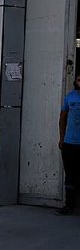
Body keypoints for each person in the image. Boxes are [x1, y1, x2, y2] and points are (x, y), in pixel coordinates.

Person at [56, 73, 80, 215]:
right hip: (70, 142)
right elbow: (62, 118)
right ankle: (69, 205)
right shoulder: (70, 97)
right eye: (79, 79)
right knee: (70, 174)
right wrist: (62, 138)